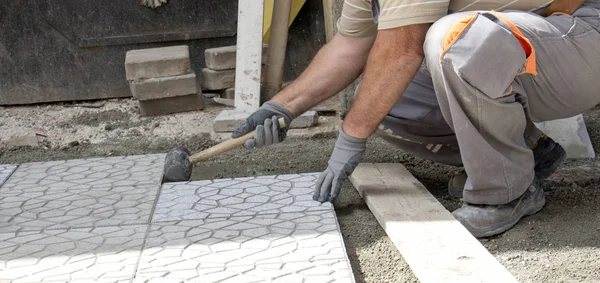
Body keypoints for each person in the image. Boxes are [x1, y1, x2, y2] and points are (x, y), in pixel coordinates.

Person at [231, 0, 600, 238]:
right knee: (384, 103)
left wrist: (350, 138)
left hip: (579, 36)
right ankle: (527, 152)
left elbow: (401, 50)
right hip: (523, 52)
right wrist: (282, 107)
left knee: (456, 39)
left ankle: (505, 193)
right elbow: (350, 45)